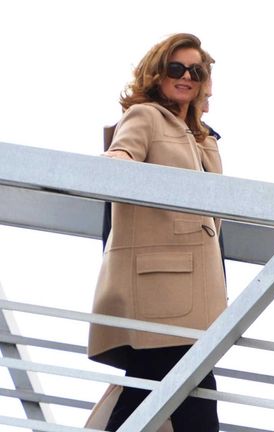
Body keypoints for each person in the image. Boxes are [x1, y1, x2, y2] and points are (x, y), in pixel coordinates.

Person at [87, 33, 225, 431]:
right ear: (156, 72)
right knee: (190, 403)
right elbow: (121, 156)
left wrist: (202, 100)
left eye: (196, 71)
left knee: (156, 397)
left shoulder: (201, 137)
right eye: (176, 68)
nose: (187, 77)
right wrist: (113, 161)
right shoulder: (146, 116)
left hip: (192, 295)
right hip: (160, 292)